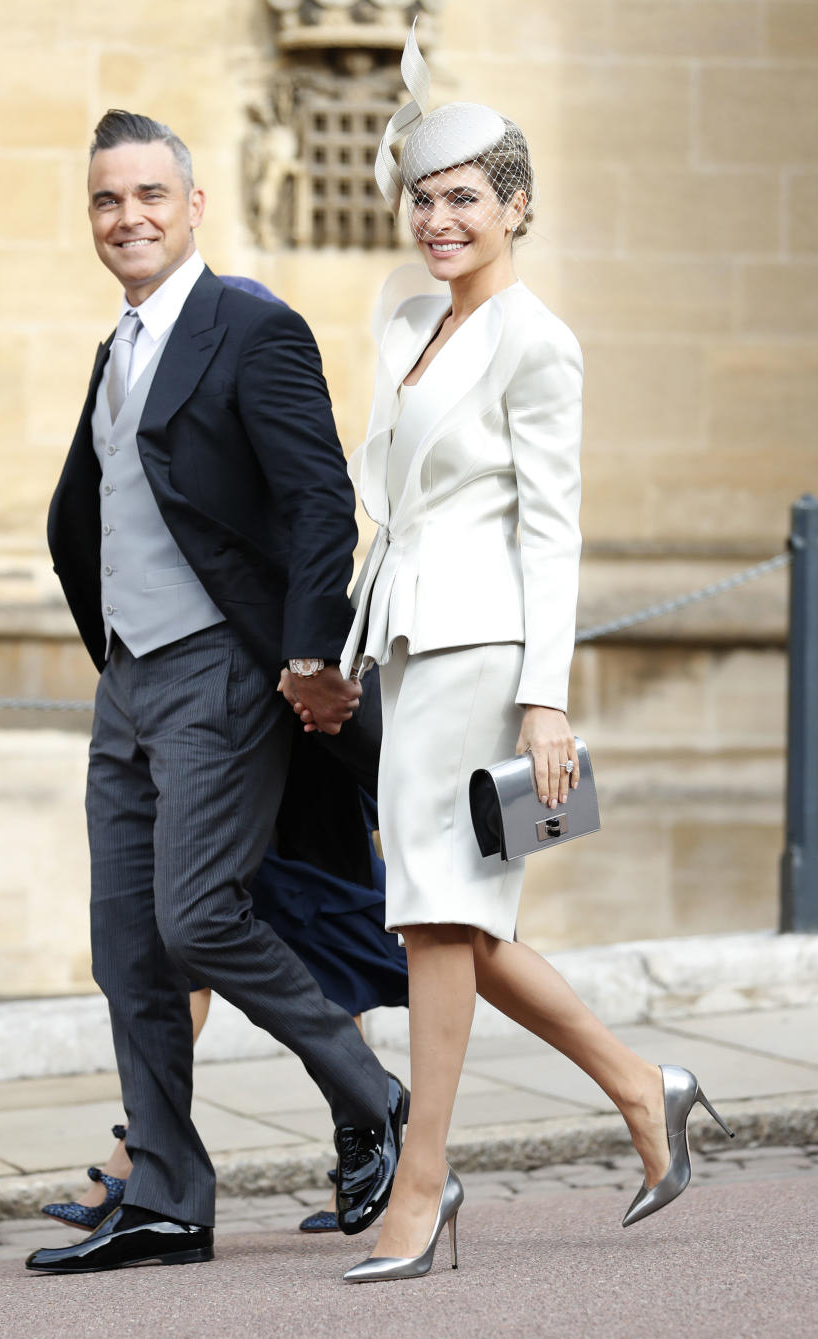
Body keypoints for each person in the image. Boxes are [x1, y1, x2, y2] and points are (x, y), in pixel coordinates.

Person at [298, 27, 733, 1284]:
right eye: (425, 196)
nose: (439, 219)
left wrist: (547, 697)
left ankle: (422, 1185)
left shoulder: (536, 338)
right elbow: (398, 511)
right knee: (453, 914)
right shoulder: (419, 321)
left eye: (467, 198)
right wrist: (341, 647)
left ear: (518, 207)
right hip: (413, 641)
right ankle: (646, 1089)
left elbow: (555, 520)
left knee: (438, 914)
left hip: (486, 649)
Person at [26, 109, 409, 1275]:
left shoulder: (252, 325)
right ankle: (170, 1198)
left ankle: (373, 1095)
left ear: (195, 205)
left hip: (225, 673)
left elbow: (317, 503)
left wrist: (305, 653)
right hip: (129, 680)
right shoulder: (120, 343)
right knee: (127, 947)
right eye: (106, 199)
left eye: (148, 194)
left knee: (197, 915)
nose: (127, 217)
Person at [41, 818, 408, 1235]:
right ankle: (135, 1157)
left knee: (324, 946)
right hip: (208, 787)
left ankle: (370, 1136)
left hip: (279, 781)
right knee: (185, 945)